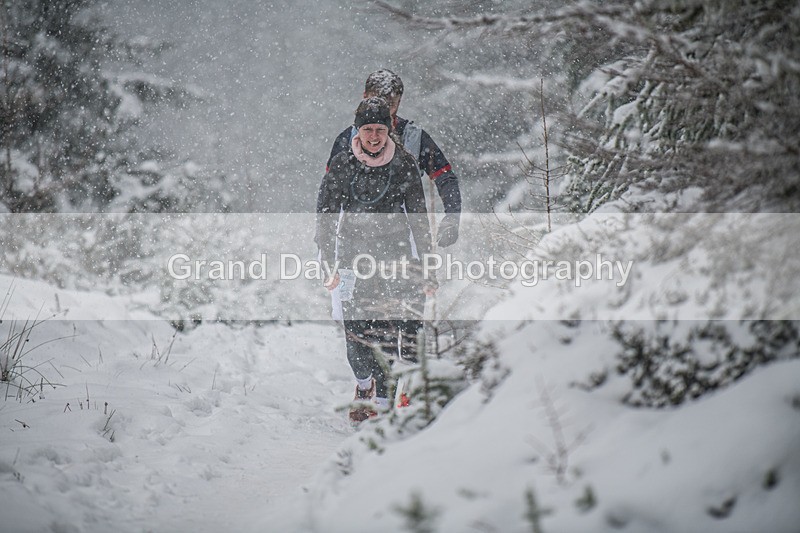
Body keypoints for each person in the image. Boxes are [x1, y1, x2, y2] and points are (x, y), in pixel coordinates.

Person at [315, 97, 435, 423]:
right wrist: (328, 262)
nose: (373, 136)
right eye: (367, 129)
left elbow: (419, 220)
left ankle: (382, 404)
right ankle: (364, 384)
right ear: (358, 130)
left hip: (394, 256)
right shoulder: (342, 164)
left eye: (380, 130)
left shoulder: (404, 164)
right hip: (352, 257)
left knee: (385, 333)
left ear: (388, 130)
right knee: (355, 335)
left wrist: (427, 266)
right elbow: (325, 217)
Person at [326, 69, 461, 249]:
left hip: (406, 239)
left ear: (399, 102)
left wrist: (452, 218)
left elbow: (445, 178)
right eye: (376, 101)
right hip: (354, 239)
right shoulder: (347, 140)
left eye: (389, 104)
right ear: (364, 97)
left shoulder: (414, 138)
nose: (382, 111)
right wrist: (325, 242)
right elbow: (329, 194)